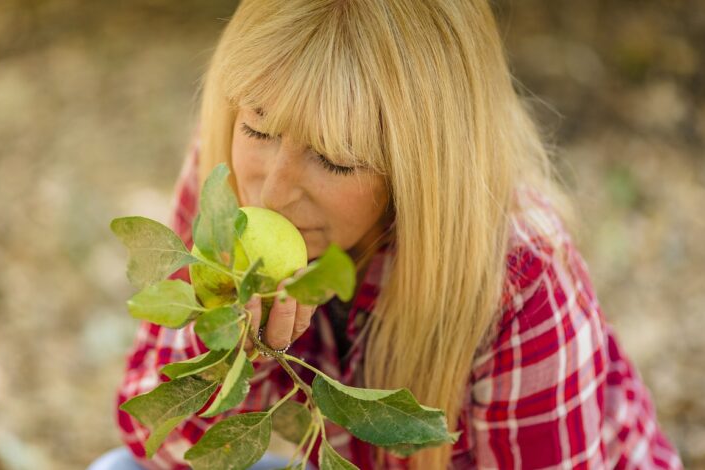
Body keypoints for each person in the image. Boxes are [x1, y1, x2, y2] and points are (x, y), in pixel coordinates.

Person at [99, 0, 684, 468]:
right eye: (259, 126)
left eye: (335, 160)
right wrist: (230, 352)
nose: (272, 194)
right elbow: (155, 443)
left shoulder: (522, 282)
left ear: (420, 171)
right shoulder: (230, 184)